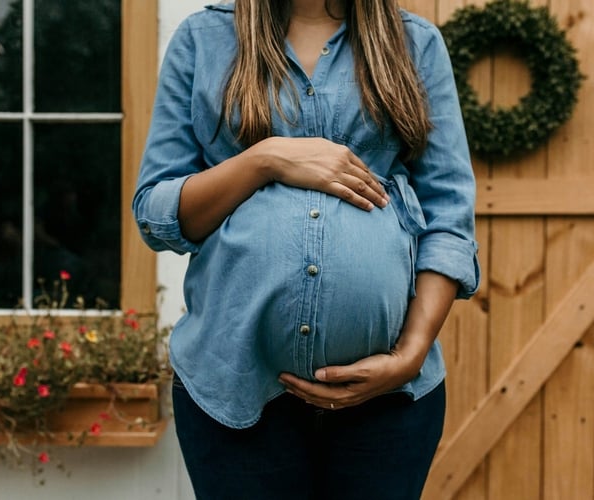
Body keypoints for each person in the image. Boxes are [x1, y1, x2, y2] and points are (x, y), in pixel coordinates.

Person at [133, 0, 479, 498]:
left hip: (389, 401)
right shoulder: (203, 39)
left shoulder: (415, 44)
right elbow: (156, 212)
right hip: (232, 391)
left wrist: (410, 354)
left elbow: (449, 219)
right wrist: (265, 159)